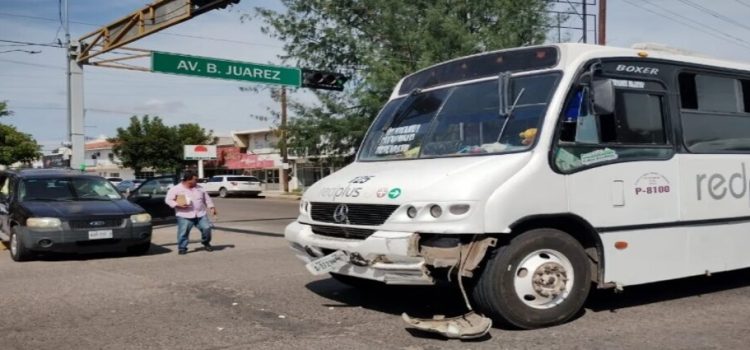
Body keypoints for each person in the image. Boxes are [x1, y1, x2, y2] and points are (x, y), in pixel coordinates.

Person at [165, 171, 218, 255]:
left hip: (200, 214)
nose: (197, 181)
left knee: (207, 228)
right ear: (188, 180)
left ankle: (205, 242)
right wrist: (177, 205)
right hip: (184, 215)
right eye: (195, 179)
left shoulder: (200, 188)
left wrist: (212, 207)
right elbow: (168, 200)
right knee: (183, 233)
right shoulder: (176, 189)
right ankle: (182, 248)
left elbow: (207, 199)